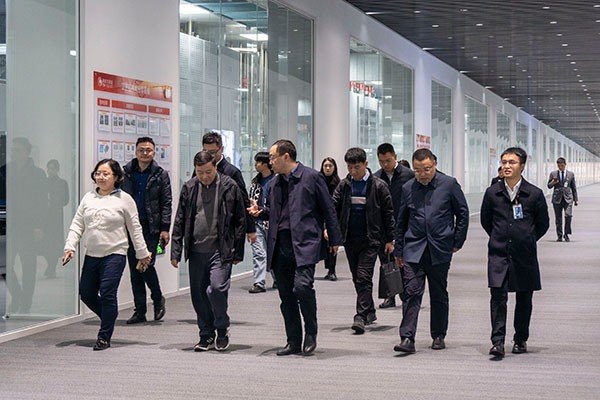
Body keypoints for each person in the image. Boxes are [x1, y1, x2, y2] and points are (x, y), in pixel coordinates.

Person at [247, 140, 342, 356]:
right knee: (286, 295)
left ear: (286, 156)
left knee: (302, 287)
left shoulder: (312, 177)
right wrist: (260, 212)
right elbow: (273, 213)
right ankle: (293, 340)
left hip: (305, 243)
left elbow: (328, 209)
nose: (270, 162)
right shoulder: (274, 183)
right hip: (279, 245)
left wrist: (334, 239)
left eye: (273, 157)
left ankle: (311, 332)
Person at [62, 159, 151, 351]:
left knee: (108, 292)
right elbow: (77, 224)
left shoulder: (125, 199)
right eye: (98, 173)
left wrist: (142, 253)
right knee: (86, 293)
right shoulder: (88, 198)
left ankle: (104, 336)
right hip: (92, 253)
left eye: (105, 174)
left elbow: (135, 228)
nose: (100, 177)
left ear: (116, 177)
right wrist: (70, 247)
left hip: (115, 253)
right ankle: (109, 316)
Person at [393, 148, 469, 354]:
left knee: (438, 293)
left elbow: (462, 213)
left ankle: (438, 335)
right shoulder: (408, 187)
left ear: (435, 163)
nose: (423, 174)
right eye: (418, 170)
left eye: (426, 169)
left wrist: (457, 240)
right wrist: (398, 250)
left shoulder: (449, 184)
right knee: (411, 292)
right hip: (413, 248)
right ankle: (407, 337)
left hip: (439, 248)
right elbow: (401, 221)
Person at [171, 151, 246, 352]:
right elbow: (180, 220)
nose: (204, 176)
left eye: (208, 172)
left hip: (220, 250)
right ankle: (206, 334)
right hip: (196, 251)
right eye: (199, 172)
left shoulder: (229, 186)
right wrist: (175, 251)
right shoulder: (189, 187)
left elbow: (240, 220)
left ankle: (221, 328)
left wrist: (238, 252)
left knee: (216, 289)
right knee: (198, 295)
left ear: (216, 167)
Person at [481, 147, 549, 357]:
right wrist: (499, 237)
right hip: (498, 253)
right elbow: (486, 221)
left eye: (512, 162)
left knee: (524, 298)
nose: (507, 166)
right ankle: (497, 342)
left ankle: (520, 339)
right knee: (497, 297)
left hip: (524, 255)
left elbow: (543, 224)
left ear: (522, 166)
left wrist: (526, 238)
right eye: (504, 162)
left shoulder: (534, 194)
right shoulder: (492, 193)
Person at [332, 147, 395, 334]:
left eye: (357, 167)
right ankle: (370, 311)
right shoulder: (344, 186)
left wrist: (390, 239)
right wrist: (330, 229)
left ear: (365, 164)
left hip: (371, 239)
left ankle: (359, 316)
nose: (353, 171)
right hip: (350, 239)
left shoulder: (379, 186)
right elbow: (333, 208)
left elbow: (388, 214)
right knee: (357, 278)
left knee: (363, 276)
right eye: (349, 168)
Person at [121, 137, 172, 324]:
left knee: (146, 265)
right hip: (129, 227)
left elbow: (166, 202)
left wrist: (165, 229)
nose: (144, 153)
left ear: (154, 152)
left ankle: (157, 299)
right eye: (141, 150)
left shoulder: (160, 174)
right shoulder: (125, 173)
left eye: (148, 150)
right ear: (135, 151)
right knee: (135, 270)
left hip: (151, 227)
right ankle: (140, 310)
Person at [2, 137, 47, 314]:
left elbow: (42, 202)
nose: (13, 153)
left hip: (29, 226)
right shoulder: (6, 171)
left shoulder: (38, 174)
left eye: (18, 150)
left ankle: (26, 302)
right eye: (12, 150)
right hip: (9, 226)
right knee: (4, 263)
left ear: (27, 152)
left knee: (29, 267)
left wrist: (39, 226)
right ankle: (17, 295)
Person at [373, 143, 414, 309]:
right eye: (381, 161)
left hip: (405, 224)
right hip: (384, 227)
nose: (385, 164)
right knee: (386, 262)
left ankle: (406, 294)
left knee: (404, 261)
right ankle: (390, 296)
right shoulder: (376, 178)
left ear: (395, 157)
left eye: (388, 160)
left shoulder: (408, 175)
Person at [202, 131, 256, 248]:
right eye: (205, 152)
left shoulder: (232, 172)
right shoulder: (200, 171)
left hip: (227, 228)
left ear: (221, 149)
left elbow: (244, 201)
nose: (209, 156)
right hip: (205, 228)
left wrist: (251, 229)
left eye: (212, 152)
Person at [248, 151, 276, 293]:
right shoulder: (255, 182)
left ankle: (278, 279)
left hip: (272, 223)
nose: (256, 165)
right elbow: (250, 202)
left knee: (273, 252)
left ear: (266, 164)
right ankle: (259, 282)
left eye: (258, 162)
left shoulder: (276, 181)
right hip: (257, 222)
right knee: (259, 253)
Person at [43, 159, 69, 279]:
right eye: (49, 168)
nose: (50, 171)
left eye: (52, 168)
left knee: (55, 242)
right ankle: (50, 266)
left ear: (57, 170)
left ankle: (51, 268)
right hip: (45, 215)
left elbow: (65, 200)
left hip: (56, 216)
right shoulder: (44, 182)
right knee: (45, 242)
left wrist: (55, 203)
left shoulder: (62, 183)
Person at [547, 157, 578, 242]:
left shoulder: (570, 174)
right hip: (557, 199)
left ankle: (566, 234)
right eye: (559, 165)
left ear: (565, 164)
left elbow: (573, 187)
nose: (560, 167)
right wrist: (553, 182)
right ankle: (559, 235)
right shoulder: (553, 174)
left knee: (568, 215)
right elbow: (549, 186)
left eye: (562, 165)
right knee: (558, 218)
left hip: (568, 198)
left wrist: (576, 199)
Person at [320, 157, 341, 281]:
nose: (327, 168)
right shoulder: (319, 182)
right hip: (320, 216)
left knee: (332, 243)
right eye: (325, 166)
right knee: (323, 244)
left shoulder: (338, 183)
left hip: (333, 217)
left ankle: (332, 270)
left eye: (330, 166)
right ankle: (328, 268)